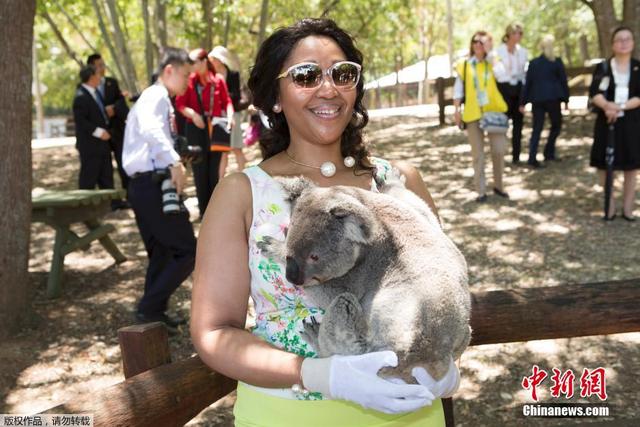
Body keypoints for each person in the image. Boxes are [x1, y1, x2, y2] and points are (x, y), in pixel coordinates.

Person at [190, 18, 460, 427]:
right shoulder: (243, 194)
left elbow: (444, 289)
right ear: (275, 97)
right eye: (306, 75)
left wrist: (447, 358)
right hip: (285, 414)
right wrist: (318, 374)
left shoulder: (399, 182)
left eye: (343, 74)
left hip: (410, 412)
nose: (328, 88)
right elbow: (213, 333)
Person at [122, 47, 197, 332]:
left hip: (145, 185)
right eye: (186, 75)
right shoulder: (156, 96)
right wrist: (175, 162)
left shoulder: (157, 98)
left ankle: (152, 312)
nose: (188, 81)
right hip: (151, 184)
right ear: (169, 71)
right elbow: (154, 131)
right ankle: (148, 307)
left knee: (162, 252)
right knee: (188, 251)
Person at [175, 48, 234, 218]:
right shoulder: (189, 81)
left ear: (203, 62)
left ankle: (214, 209)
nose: (191, 66)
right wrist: (193, 115)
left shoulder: (218, 80)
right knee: (199, 169)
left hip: (215, 127)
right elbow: (180, 104)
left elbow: (227, 101)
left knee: (214, 169)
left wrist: (230, 116)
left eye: (193, 62)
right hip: (195, 128)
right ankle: (203, 211)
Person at [589, 26, 640, 221]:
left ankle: (628, 208)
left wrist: (620, 107)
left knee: (631, 165)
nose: (624, 43)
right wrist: (608, 106)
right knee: (603, 163)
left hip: (631, 122)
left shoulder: (638, 67)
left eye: (628, 39)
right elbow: (595, 93)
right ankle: (608, 204)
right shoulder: (602, 67)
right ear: (612, 44)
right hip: (606, 120)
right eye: (619, 39)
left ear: (633, 43)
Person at [453, 31, 510, 202]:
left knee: (499, 151)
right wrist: (457, 110)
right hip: (473, 114)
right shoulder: (464, 65)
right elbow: (458, 90)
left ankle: (499, 186)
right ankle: (481, 191)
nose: (478, 44)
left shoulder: (493, 62)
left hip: (494, 112)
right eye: (475, 41)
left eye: (482, 42)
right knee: (478, 154)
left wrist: (490, 54)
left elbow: (503, 76)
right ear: (471, 44)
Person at [87, 53, 130, 209]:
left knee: (123, 164)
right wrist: (102, 112)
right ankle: (109, 201)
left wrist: (114, 109)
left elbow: (120, 101)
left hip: (117, 131)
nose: (102, 68)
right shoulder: (86, 86)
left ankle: (128, 196)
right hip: (100, 135)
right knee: (104, 170)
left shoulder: (111, 82)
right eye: (98, 65)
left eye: (103, 64)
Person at [519, 35, 569, 167]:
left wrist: (523, 102)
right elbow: (563, 81)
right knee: (555, 126)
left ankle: (536, 157)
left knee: (537, 128)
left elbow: (527, 84)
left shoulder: (535, 63)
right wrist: (566, 100)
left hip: (539, 99)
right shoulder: (554, 62)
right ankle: (547, 153)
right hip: (551, 99)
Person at [73, 64, 114, 192]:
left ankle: (113, 204)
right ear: (91, 77)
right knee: (88, 179)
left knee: (106, 177)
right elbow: (81, 121)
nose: (100, 77)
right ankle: (84, 209)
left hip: (102, 145)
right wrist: (99, 132)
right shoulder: (81, 96)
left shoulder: (96, 93)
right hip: (90, 146)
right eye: (97, 74)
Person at [209, 46, 249, 174]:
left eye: (214, 58)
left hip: (233, 114)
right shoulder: (211, 76)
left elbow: (236, 95)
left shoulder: (233, 75)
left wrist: (223, 95)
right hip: (217, 116)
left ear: (220, 60)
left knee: (237, 148)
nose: (212, 61)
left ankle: (244, 176)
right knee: (222, 151)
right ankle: (220, 181)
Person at [494, 23, 528, 164]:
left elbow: (524, 74)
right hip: (503, 89)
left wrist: (523, 98)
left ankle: (516, 156)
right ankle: (500, 155)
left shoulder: (523, 52)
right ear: (508, 35)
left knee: (518, 125)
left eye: (520, 33)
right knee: (502, 124)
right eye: (515, 33)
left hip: (518, 89)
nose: (518, 36)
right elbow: (497, 72)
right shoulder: (498, 51)